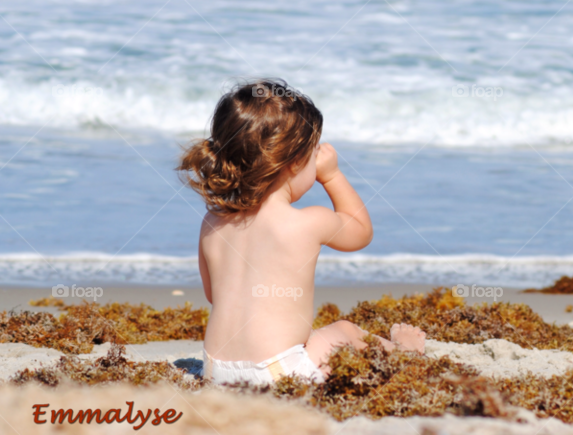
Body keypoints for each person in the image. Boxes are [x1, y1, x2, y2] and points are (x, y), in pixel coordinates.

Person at [178, 79, 425, 385]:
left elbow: (215, 295)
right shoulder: (308, 222)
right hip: (278, 372)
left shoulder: (212, 223)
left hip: (216, 370)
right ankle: (404, 351)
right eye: (313, 154)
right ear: (295, 163)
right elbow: (361, 232)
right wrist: (332, 175)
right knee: (345, 330)